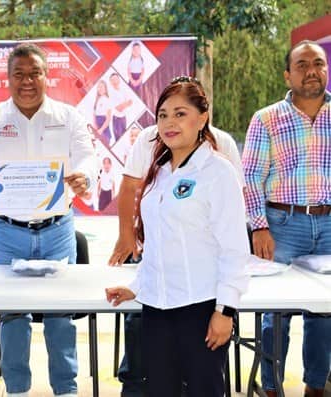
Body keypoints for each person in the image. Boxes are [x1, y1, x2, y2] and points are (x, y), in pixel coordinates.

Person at [0, 43, 96, 397]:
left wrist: (84, 175)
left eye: (34, 73)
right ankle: (17, 389)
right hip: (7, 231)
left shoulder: (68, 117)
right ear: (7, 79)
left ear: (46, 76)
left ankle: (66, 389)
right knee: (12, 317)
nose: (27, 81)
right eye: (18, 74)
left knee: (60, 316)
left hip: (57, 230)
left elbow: (87, 157)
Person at [105, 76, 250, 397]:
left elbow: (234, 249)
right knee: (160, 390)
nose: (170, 123)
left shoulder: (218, 172)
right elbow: (158, 244)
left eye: (180, 113)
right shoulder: (160, 171)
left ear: (202, 118)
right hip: (157, 309)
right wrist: (136, 288)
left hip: (200, 308)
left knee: (203, 390)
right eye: (163, 115)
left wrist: (225, 311)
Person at [242, 40, 331, 397]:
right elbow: (250, 178)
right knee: (274, 314)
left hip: (328, 226)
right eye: (303, 64)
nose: (312, 70)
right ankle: (272, 388)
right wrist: (259, 226)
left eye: (319, 63)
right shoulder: (266, 118)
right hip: (281, 226)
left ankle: (315, 387)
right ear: (288, 74)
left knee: (324, 314)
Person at [108, 73, 133, 144]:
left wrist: (123, 105)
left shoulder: (123, 90)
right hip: (116, 119)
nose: (114, 81)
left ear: (119, 80)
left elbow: (131, 102)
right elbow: (119, 108)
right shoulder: (111, 93)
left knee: (125, 139)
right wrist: (126, 103)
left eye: (116, 79)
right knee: (119, 140)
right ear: (110, 82)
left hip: (124, 118)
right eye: (112, 80)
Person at [93, 79, 112, 145]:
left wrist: (101, 130)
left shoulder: (107, 100)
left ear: (105, 89)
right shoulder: (97, 100)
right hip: (97, 130)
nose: (100, 88)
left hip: (104, 131)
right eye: (98, 87)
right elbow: (94, 115)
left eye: (101, 87)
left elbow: (108, 119)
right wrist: (95, 128)